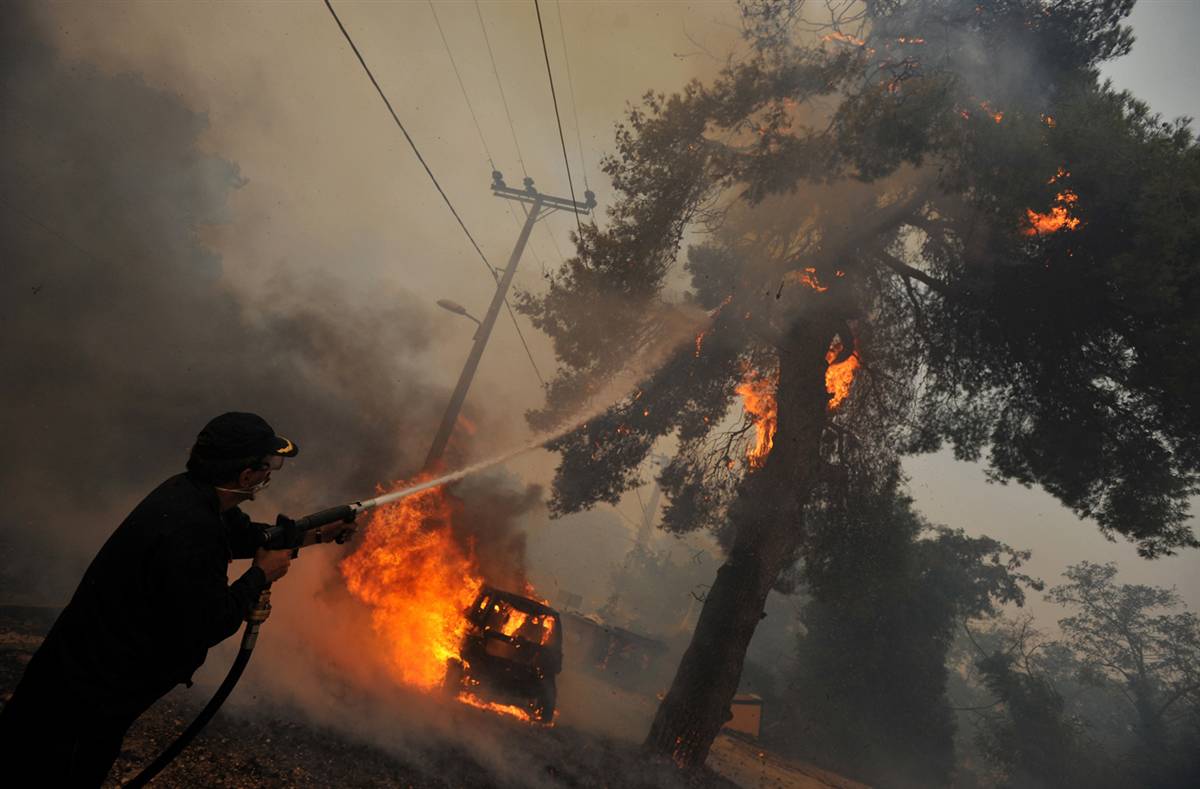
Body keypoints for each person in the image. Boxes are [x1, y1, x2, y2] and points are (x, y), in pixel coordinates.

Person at [0, 412, 346, 786]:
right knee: (58, 772)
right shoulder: (191, 530)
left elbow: (246, 537)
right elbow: (210, 622)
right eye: (268, 467)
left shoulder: (192, 495)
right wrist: (261, 575)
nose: (269, 476)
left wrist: (314, 536)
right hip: (87, 697)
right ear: (246, 476)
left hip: (84, 677)